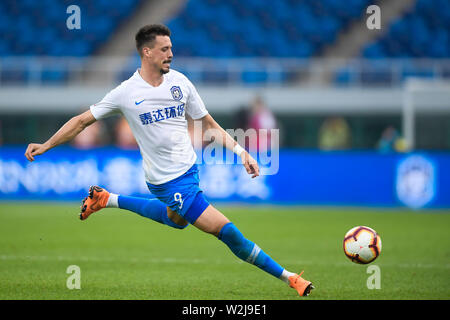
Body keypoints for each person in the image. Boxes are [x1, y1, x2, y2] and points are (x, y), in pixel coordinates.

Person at [24, 24, 313, 297]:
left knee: (177, 221)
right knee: (227, 232)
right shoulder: (126, 92)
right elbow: (81, 121)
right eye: (164, 49)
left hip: (190, 170)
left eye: (171, 48)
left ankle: (106, 199)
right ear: (146, 52)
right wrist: (47, 145)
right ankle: (289, 278)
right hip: (166, 181)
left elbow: (209, 124)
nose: (170, 54)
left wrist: (242, 153)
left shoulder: (180, 83)